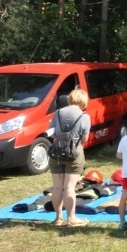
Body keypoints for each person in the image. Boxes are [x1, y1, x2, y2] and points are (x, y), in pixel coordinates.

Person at [48, 88, 91, 227]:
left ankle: (58, 218)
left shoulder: (58, 112)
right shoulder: (84, 117)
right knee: (69, 188)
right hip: (74, 154)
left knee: (57, 187)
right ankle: (71, 218)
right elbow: (84, 139)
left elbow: (52, 133)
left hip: (56, 153)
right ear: (83, 101)